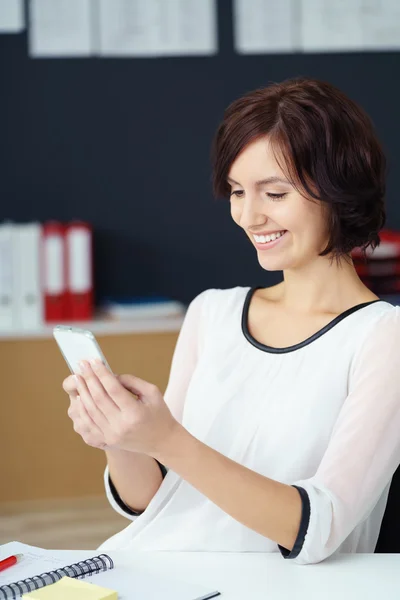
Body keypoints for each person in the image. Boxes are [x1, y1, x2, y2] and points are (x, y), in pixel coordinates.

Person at [63, 77, 400, 565]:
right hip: (149, 566)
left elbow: (320, 529)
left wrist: (166, 439)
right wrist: (123, 440)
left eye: (275, 193)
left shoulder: (381, 337)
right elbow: (150, 505)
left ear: (339, 190)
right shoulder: (212, 313)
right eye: (238, 192)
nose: (248, 215)